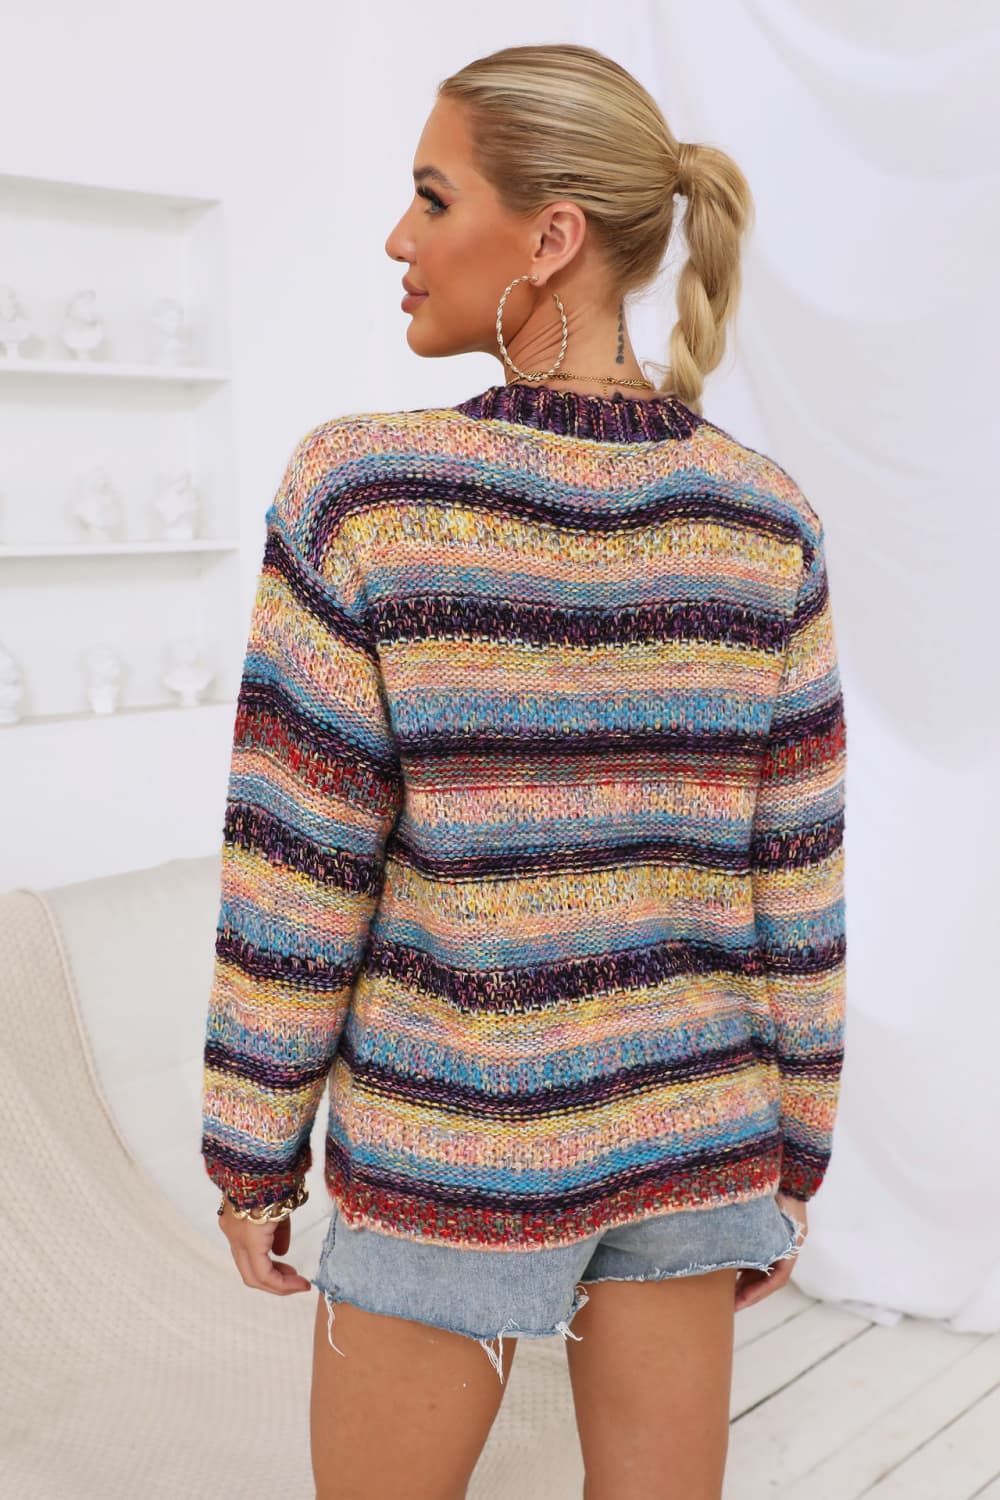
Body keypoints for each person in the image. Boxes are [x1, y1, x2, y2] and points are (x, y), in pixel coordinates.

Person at [201, 41, 847, 1500]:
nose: (398, 238)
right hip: (697, 1131)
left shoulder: (365, 497)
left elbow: (299, 874)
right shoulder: (766, 520)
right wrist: (791, 1160)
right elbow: (796, 887)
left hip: (455, 1146)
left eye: (433, 198)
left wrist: (252, 1154)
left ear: (551, 236)